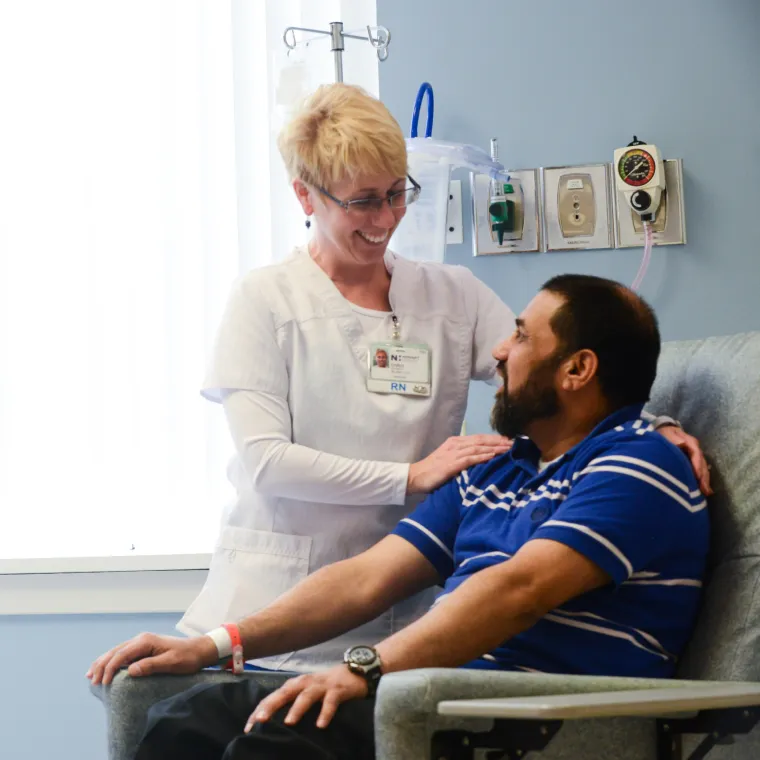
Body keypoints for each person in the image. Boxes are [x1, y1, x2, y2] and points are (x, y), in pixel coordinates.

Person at [176, 82, 710, 673]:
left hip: (409, 619)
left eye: (397, 192)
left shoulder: (449, 295)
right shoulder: (264, 300)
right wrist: (412, 475)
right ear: (306, 196)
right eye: (362, 201)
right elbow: (268, 461)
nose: (387, 217)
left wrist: (654, 425)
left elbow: (558, 371)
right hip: (281, 595)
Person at [89, 275, 710, 760]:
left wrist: (366, 667)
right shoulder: (494, 471)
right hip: (435, 696)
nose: (499, 350)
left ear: (578, 369)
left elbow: (518, 591)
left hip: (535, 714)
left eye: (521, 336)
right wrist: (212, 645)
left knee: (287, 742)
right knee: (189, 723)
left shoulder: (640, 464)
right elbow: (366, 578)